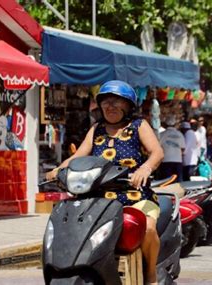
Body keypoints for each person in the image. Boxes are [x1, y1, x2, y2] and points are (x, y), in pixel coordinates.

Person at [46, 80, 163, 284]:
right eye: (106, 102)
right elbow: (78, 156)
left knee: (149, 228)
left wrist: (145, 168)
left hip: (135, 196)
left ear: (128, 106)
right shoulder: (97, 129)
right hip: (99, 198)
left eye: (117, 102)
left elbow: (157, 153)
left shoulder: (138, 125)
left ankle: (151, 273)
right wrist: (59, 169)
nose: (111, 106)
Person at [159, 115, 185, 182]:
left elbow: (158, 147)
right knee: (178, 183)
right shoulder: (180, 134)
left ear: (165, 124)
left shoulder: (162, 134)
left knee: (166, 182)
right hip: (178, 161)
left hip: (166, 161)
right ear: (175, 124)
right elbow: (183, 149)